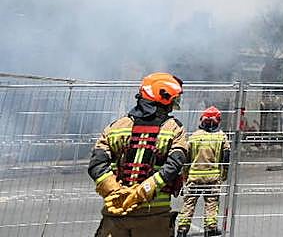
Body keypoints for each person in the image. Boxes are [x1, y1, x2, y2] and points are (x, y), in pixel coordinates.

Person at [89, 72, 189, 237]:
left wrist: (114, 191)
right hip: (154, 218)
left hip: (116, 217)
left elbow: (96, 164)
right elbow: (174, 165)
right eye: (173, 100)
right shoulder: (174, 128)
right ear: (162, 96)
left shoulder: (116, 127)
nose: (173, 105)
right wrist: (144, 191)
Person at [177, 106, 229, 237]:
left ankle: (182, 229)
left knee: (189, 203)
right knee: (212, 202)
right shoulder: (221, 137)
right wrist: (224, 174)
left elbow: (186, 159)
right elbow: (226, 158)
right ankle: (210, 228)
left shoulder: (194, 137)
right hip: (213, 177)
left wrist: (185, 175)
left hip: (194, 177)